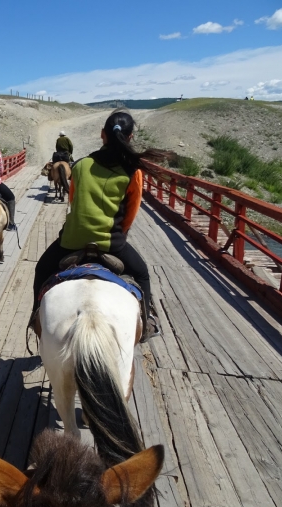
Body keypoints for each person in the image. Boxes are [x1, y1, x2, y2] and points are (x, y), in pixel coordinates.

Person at [31, 110, 169, 341]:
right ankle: (146, 322)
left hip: (71, 240)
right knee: (142, 273)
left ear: (102, 134)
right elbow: (130, 215)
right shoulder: (133, 172)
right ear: (131, 137)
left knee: (42, 269)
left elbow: (73, 202)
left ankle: (35, 318)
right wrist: (117, 234)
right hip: (111, 244)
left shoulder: (81, 166)